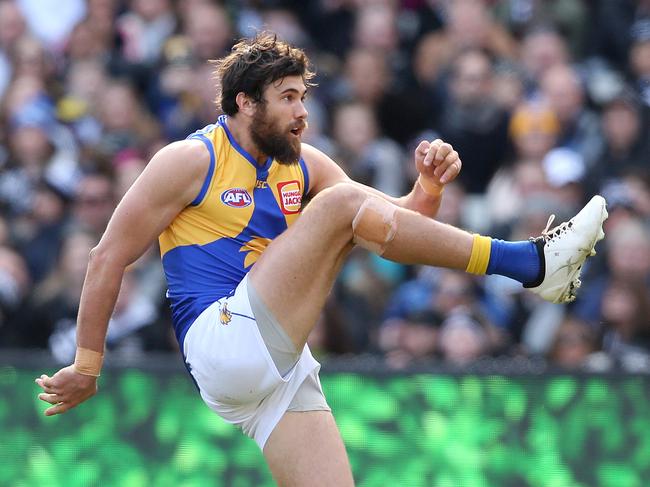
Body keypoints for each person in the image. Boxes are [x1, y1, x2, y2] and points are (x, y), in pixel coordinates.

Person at [35, 33, 607, 486]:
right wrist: (88, 366)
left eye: (303, 98)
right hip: (222, 338)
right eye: (287, 98)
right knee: (338, 206)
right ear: (245, 101)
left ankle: (534, 266)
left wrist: (427, 189)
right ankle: (530, 264)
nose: (301, 112)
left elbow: (391, 221)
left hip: (275, 367)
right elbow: (105, 258)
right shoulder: (190, 159)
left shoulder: (303, 162)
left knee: (342, 207)